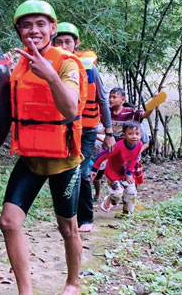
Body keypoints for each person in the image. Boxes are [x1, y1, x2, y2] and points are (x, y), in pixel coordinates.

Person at [0, 0, 87, 295]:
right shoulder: (18, 62)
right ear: (19, 31)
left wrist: (49, 74)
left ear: (52, 27)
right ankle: (26, 291)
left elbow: (71, 109)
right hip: (30, 158)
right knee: (9, 222)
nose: (33, 30)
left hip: (64, 160)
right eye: (26, 25)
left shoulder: (66, 63)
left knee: (67, 228)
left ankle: (73, 283)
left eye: (40, 24)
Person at [53, 22, 115, 233]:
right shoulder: (49, 63)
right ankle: (68, 217)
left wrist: (108, 132)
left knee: (81, 171)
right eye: (58, 41)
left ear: (76, 43)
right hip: (62, 128)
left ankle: (86, 218)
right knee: (64, 172)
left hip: (86, 129)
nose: (63, 45)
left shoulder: (89, 67)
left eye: (67, 41)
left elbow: (103, 100)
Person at [91, 121, 144, 214]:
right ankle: (109, 200)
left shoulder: (139, 145)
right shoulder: (118, 146)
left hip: (125, 172)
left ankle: (127, 213)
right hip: (113, 173)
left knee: (131, 192)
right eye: (130, 134)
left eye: (137, 134)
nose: (134, 136)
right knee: (117, 193)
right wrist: (95, 169)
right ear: (124, 135)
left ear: (141, 135)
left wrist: (129, 173)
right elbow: (102, 155)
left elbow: (134, 159)